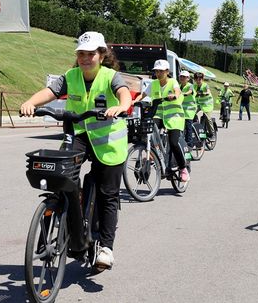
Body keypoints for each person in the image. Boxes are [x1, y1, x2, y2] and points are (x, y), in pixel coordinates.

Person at [21, 31, 131, 270]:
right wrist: (31, 102)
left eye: (90, 54)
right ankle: (60, 218)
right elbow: (49, 92)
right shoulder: (70, 76)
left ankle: (106, 248)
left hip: (109, 142)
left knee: (107, 193)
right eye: (81, 53)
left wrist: (121, 107)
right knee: (60, 179)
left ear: (101, 55)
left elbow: (124, 93)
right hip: (78, 135)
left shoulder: (111, 76)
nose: (85, 58)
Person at [135, 59, 189, 182]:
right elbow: (142, 95)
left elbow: (177, 91)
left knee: (174, 143)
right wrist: (134, 101)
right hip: (159, 115)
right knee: (148, 131)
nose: (158, 74)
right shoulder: (153, 84)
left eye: (160, 71)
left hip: (174, 117)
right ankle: (151, 154)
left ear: (167, 71)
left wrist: (174, 95)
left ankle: (183, 168)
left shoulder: (173, 82)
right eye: (156, 71)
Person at [178, 71, 197, 146]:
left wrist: (184, 94)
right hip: (181, 110)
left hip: (190, 109)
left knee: (188, 126)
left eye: (184, 77)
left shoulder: (190, 86)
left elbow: (190, 91)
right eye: (181, 76)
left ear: (188, 78)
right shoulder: (179, 86)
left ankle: (190, 144)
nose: (182, 78)